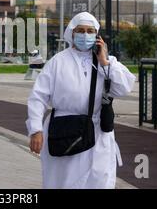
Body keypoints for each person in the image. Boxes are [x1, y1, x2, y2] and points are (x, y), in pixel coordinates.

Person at [26, 12, 136, 189]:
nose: (85, 35)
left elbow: (124, 87)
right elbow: (38, 97)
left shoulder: (106, 62)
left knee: (98, 181)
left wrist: (104, 62)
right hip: (65, 130)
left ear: (97, 35)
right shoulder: (58, 62)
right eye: (81, 30)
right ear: (72, 33)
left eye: (90, 31)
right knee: (64, 182)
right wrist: (35, 130)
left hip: (98, 132)